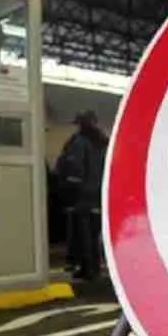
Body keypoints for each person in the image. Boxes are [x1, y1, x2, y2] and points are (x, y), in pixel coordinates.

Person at [54, 110, 108, 280]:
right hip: (99, 194)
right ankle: (95, 268)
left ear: (80, 124)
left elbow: (74, 169)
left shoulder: (78, 142)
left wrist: (67, 190)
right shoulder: (103, 143)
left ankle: (87, 269)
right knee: (93, 235)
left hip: (83, 196)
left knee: (83, 234)